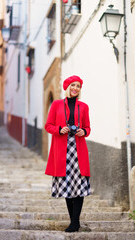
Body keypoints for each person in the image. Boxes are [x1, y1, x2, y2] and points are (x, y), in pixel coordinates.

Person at [45, 75, 91, 232]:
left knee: (79, 185)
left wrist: (82, 131)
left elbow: (88, 128)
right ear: (67, 87)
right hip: (62, 149)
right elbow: (48, 125)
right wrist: (59, 129)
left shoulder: (84, 107)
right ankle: (74, 221)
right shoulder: (57, 104)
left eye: (78, 86)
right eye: (73, 85)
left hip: (78, 149)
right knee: (67, 186)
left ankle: (75, 222)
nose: (75, 88)